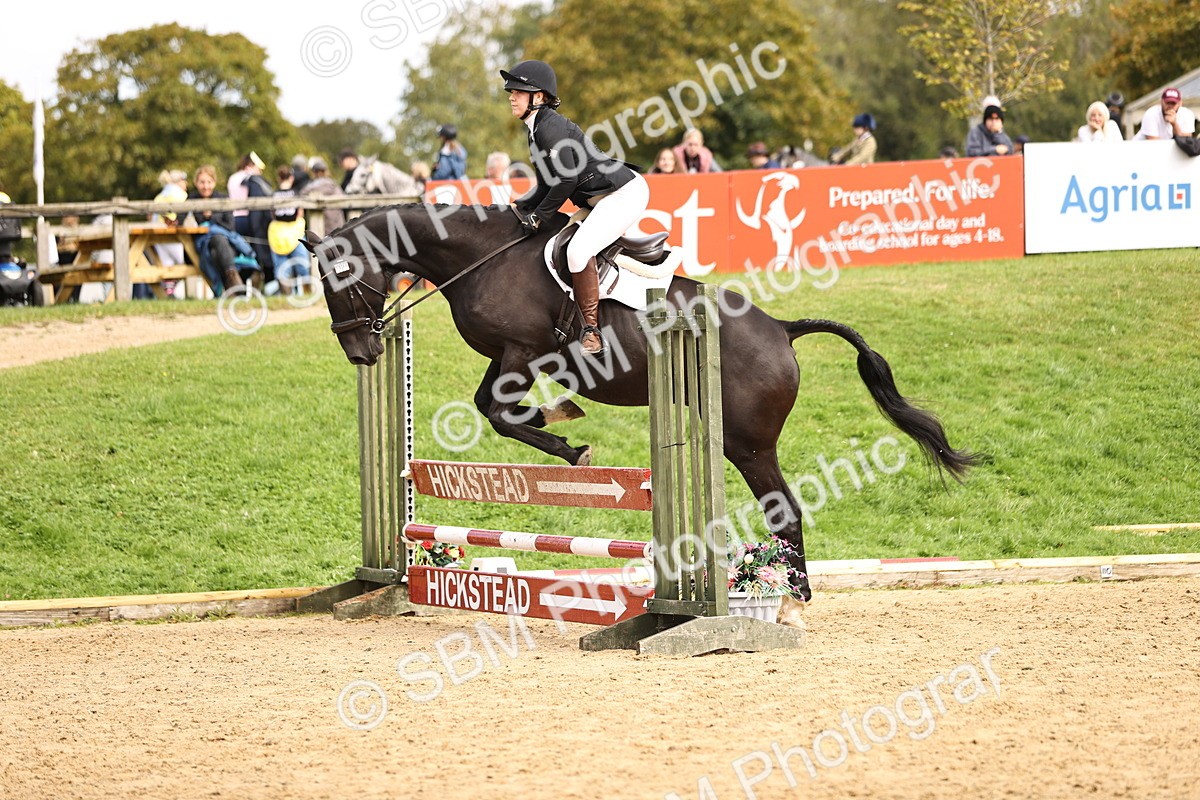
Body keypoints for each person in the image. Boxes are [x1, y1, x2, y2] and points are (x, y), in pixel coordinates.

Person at [501, 59, 649, 356]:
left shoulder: (551, 128)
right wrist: (517, 209)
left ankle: (591, 331)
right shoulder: (535, 130)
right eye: (511, 91)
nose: (511, 96)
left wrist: (539, 217)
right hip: (602, 197)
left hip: (623, 193)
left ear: (538, 97)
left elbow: (566, 180)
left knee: (578, 251)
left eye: (518, 91)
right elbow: (546, 184)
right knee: (559, 242)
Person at [188, 164, 261, 294]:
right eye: (202, 182)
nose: (206, 186)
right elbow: (184, 222)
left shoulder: (223, 199)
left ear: (214, 182)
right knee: (217, 241)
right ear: (196, 183)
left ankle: (232, 283)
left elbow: (230, 226)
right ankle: (235, 284)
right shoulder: (190, 200)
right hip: (203, 246)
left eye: (209, 182)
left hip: (226, 245)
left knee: (218, 248)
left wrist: (212, 217)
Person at [268, 165, 310, 295]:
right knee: (303, 266)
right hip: (295, 233)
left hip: (278, 235)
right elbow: (300, 213)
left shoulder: (273, 195)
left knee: (282, 270)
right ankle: (308, 296)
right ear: (291, 178)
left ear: (278, 178)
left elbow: (272, 214)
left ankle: (287, 297)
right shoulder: (297, 193)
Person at [299, 158, 346, 234]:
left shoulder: (311, 187)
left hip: (320, 228)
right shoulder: (334, 185)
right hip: (338, 227)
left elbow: (301, 194)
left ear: (314, 172)